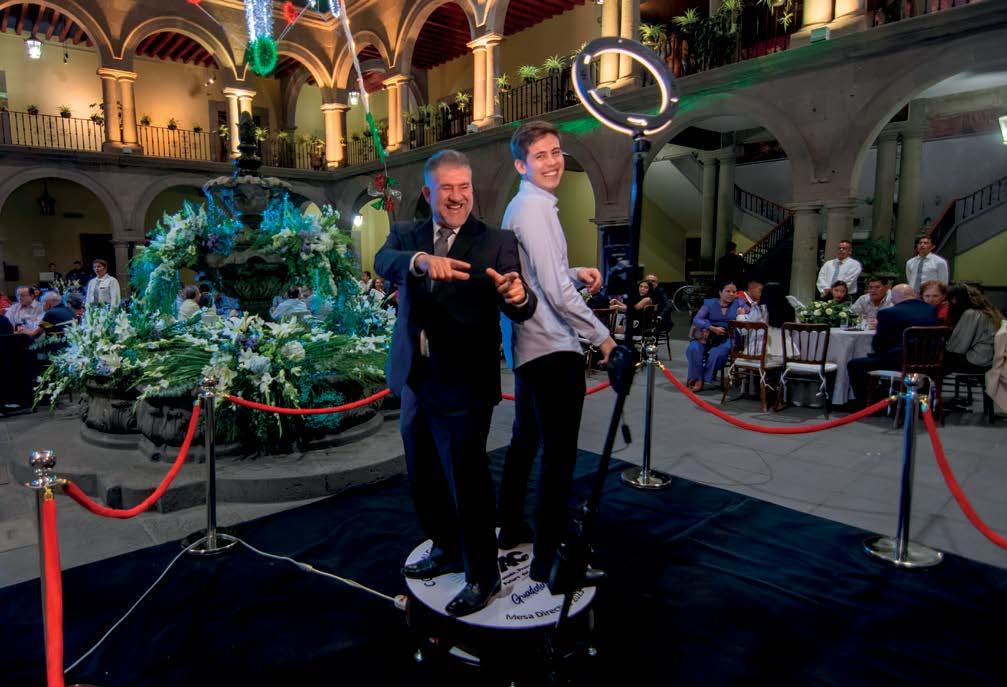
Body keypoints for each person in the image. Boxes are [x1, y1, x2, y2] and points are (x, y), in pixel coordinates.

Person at [374, 149, 536, 617]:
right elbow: (384, 261)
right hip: (416, 378)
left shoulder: (496, 241)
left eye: (464, 186)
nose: (457, 196)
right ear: (429, 193)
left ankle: (483, 575)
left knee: (468, 483)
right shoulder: (407, 235)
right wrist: (421, 261)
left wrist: (518, 296)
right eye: (447, 188)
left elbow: (521, 304)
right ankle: (445, 547)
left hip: (465, 386)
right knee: (423, 476)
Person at [496, 120, 614, 585]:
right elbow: (558, 295)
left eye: (556, 152)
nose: (552, 162)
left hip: (531, 347)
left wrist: (575, 269)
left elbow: (541, 274)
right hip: (550, 347)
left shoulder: (526, 205)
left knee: (526, 441)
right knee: (558, 457)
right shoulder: (534, 209)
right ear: (521, 165)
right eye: (540, 155)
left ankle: (511, 527)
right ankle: (550, 561)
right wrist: (605, 339)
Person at [847, 284, 939, 404]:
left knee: (855, 365)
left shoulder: (888, 313)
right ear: (914, 295)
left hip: (900, 362)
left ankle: (867, 403)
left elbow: (879, 345)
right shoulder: (930, 310)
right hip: (930, 361)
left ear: (894, 298)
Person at [686, 280, 747, 392]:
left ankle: (700, 377)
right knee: (693, 348)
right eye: (728, 291)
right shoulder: (710, 303)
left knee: (718, 354)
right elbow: (697, 319)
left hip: (729, 337)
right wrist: (711, 327)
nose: (731, 294)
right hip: (708, 335)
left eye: (734, 292)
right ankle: (698, 378)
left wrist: (743, 313)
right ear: (720, 292)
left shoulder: (739, 303)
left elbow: (750, 312)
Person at [944, 284, 1001, 374]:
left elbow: (957, 347)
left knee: (941, 359)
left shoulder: (971, 314)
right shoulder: (987, 311)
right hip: (989, 358)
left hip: (977, 360)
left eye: (952, 299)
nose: (951, 302)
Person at [740, 281, 796, 361]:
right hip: (785, 352)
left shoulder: (759, 309)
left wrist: (740, 316)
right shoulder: (790, 309)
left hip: (762, 353)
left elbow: (745, 330)